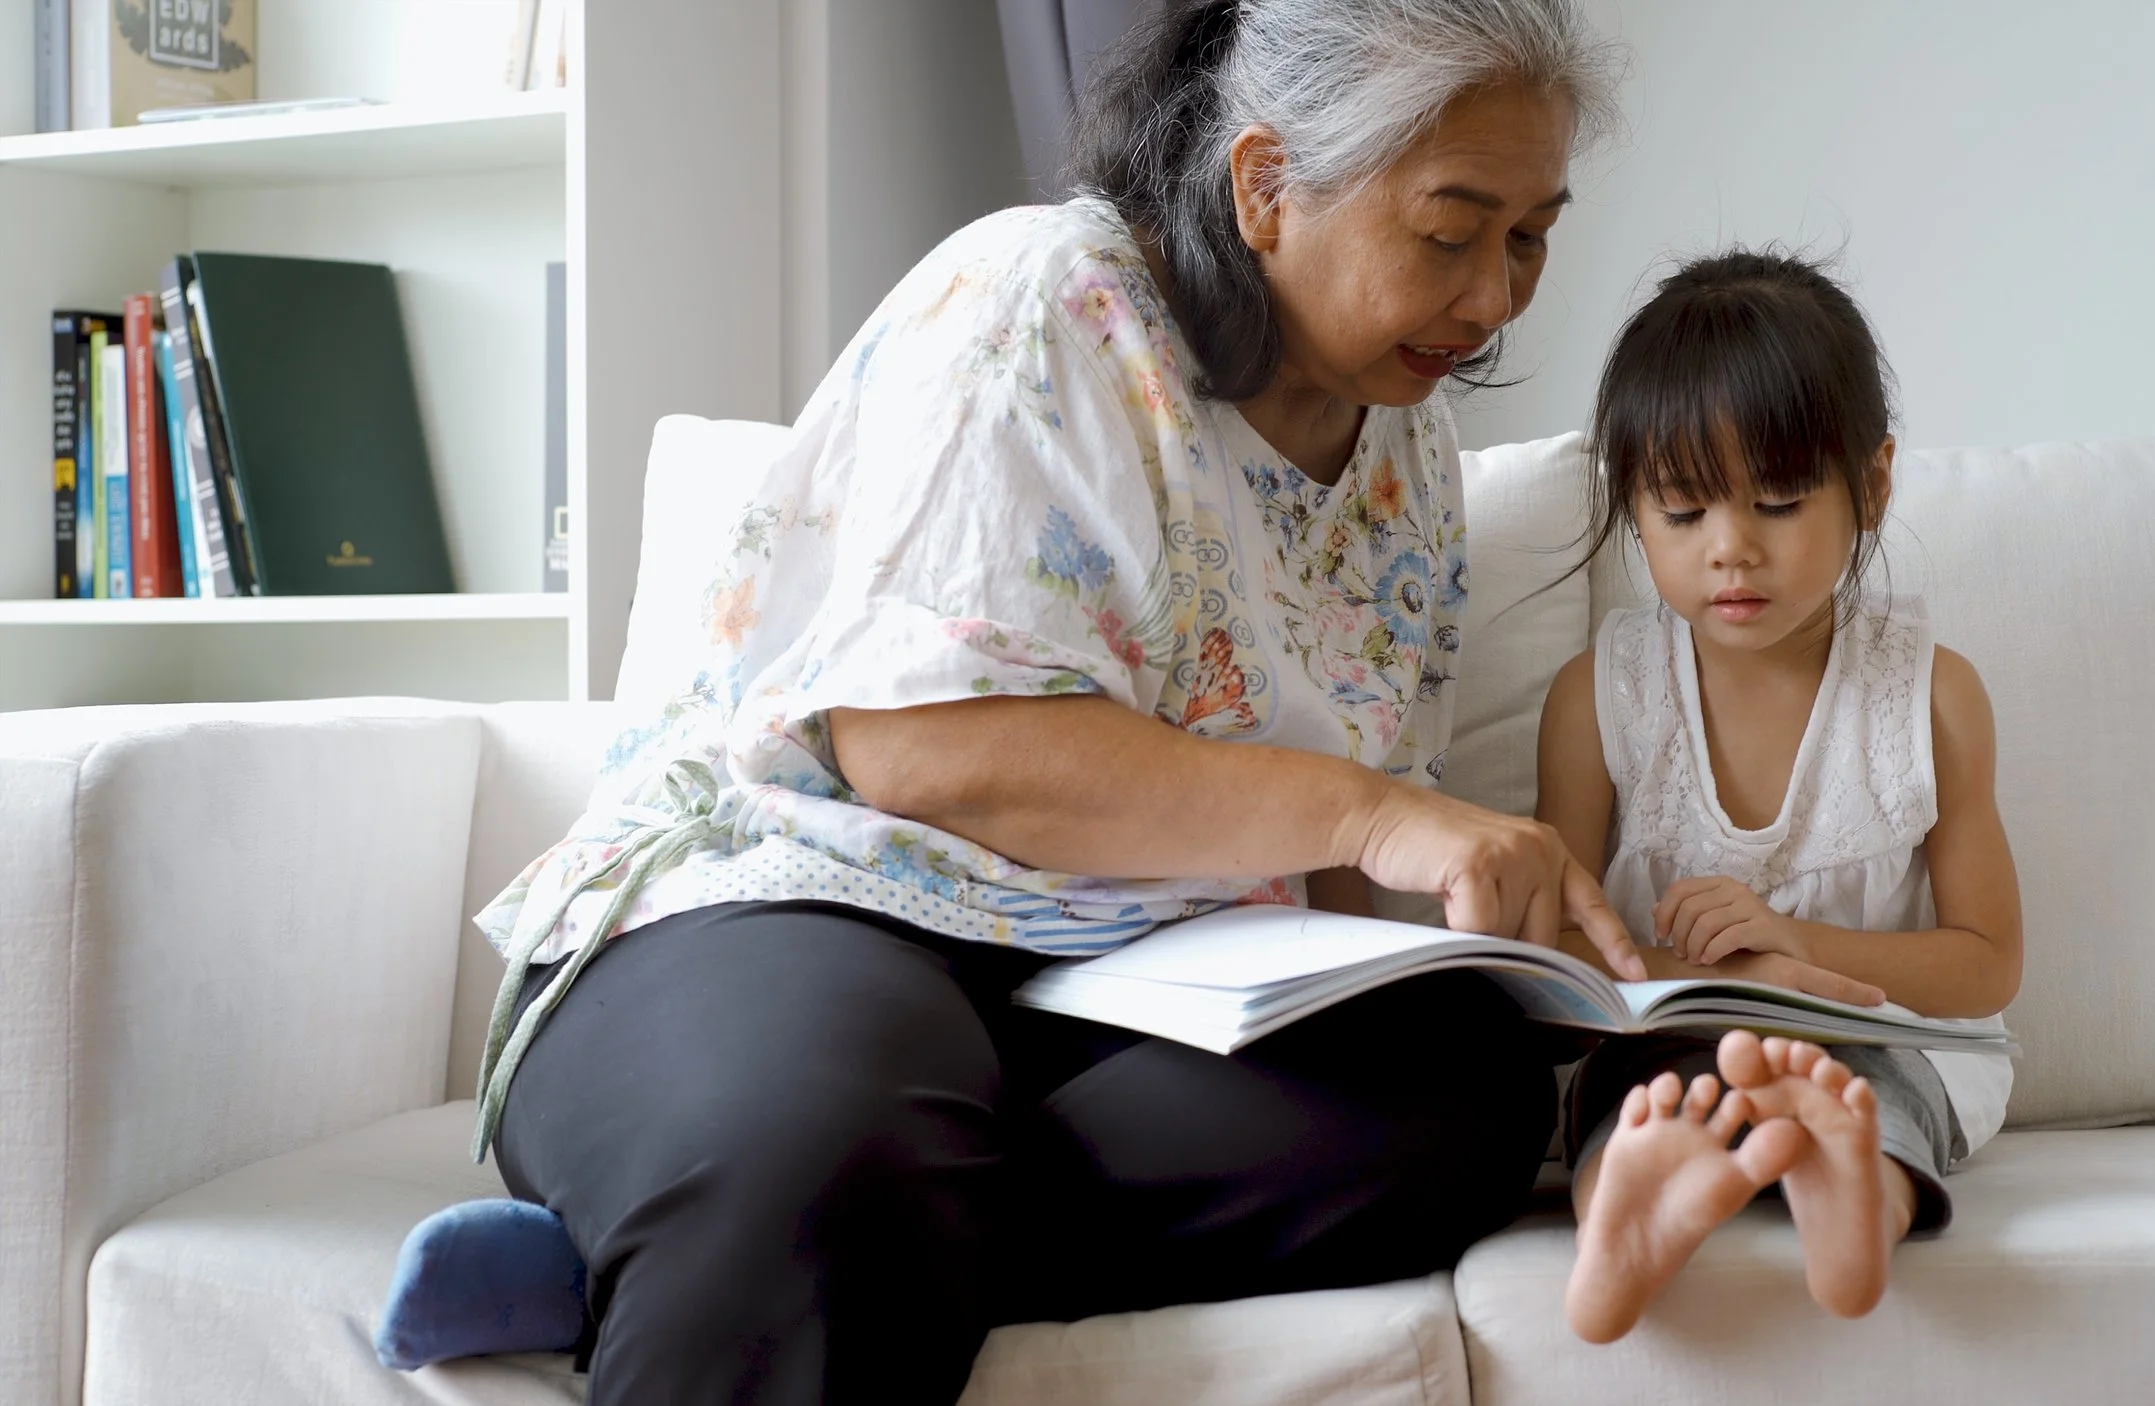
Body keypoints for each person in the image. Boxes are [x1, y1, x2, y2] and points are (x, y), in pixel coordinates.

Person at [464, 2, 1638, 1401]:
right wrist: (1385, 814)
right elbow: (916, 747)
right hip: (812, 893)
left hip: (1112, 978)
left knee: (1460, 1095)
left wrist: (1520, 979)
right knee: (835, 1134)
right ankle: (762, 1201)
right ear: (1265, 185)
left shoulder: (1411, 456)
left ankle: (675, 1243)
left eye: (1531, 236)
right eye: (1453, 232)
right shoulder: (1049, 295)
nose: (1499, 298)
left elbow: (1329, 848)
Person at [1532, 250, 2024, 1343]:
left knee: (1867, 1086)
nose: (1731, 549)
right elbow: (1562, 960)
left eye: (1780, 501)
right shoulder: (1598, 698)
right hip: (1673, 1028)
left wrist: (1796, 948)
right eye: (1682, 511)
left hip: (1884, 1034)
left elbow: (1986, 961)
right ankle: (1624, 1208)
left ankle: (1856, 1192)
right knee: (1636, 1092)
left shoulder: (1930, 697)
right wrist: (1718, 973)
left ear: (1874, 484)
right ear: (1634, 509)